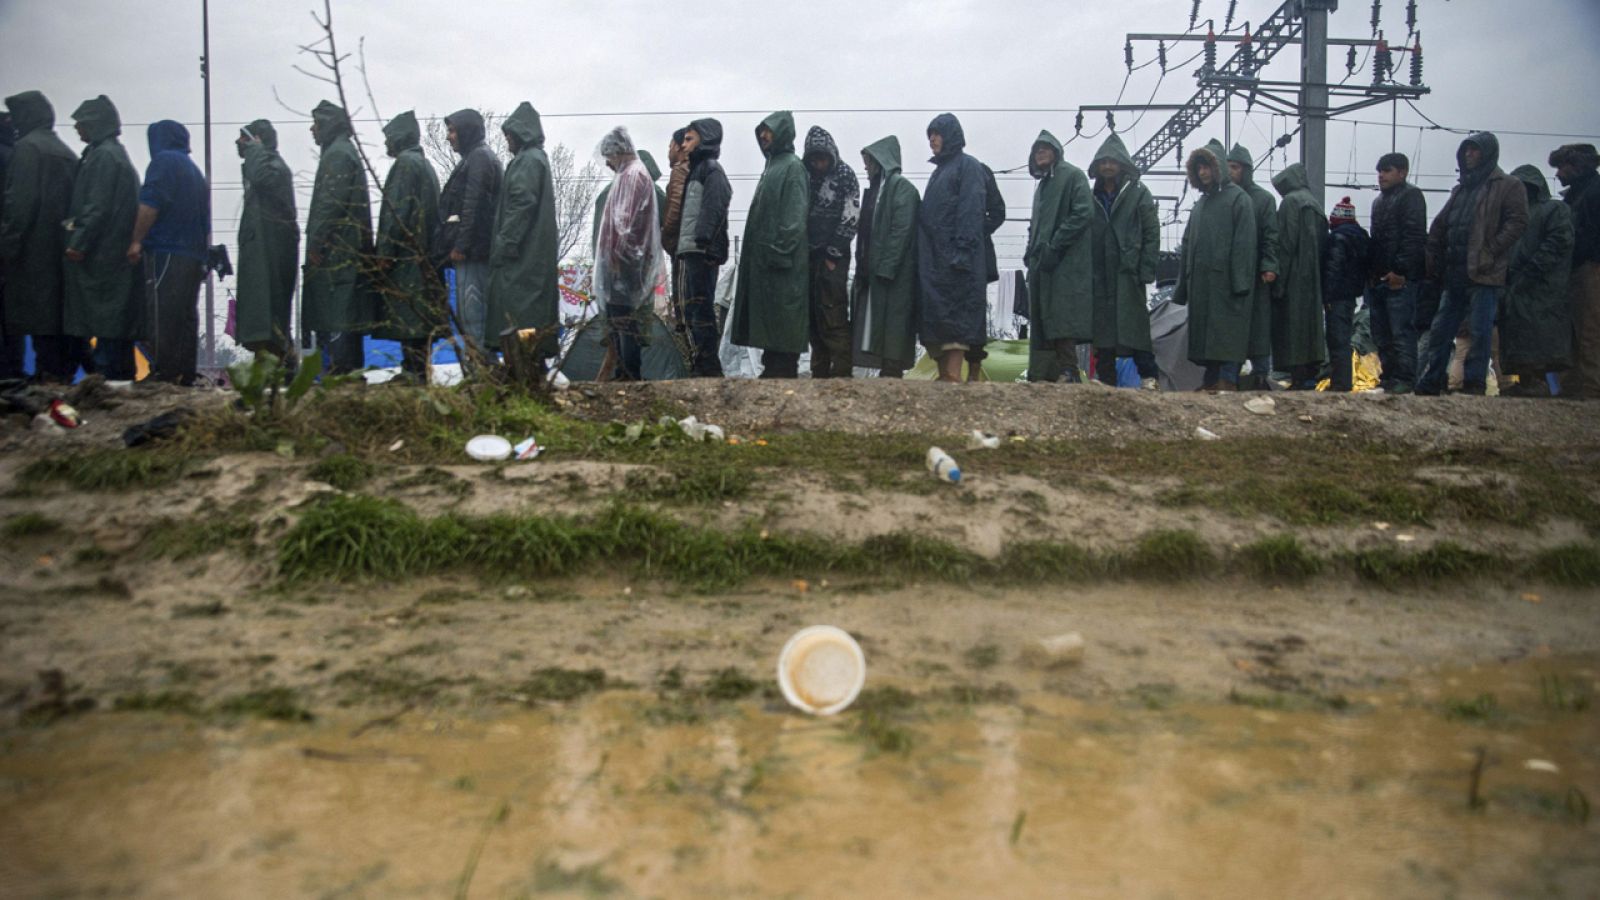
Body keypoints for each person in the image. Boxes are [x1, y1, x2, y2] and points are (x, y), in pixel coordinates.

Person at [1418, 132, 1528, 395]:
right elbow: (1443, 226)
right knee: (1441, 331)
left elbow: (1518, 222)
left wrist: (1491, 251)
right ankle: (1433, 379)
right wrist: (1434, 256)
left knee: (1479, 332)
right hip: (1454, 272)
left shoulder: (1508, 185)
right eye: (1466, 150)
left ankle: (1475, 383)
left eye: (1475, 150)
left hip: (1484, 272)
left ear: (1487, 153)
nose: (1469, 155)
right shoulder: (1461, 189)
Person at [1, 91, 81, 382]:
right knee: (57, 317)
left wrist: (6, 246)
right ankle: (59, 375)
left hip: (31, 251)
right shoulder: (65, 151)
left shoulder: (27, 149)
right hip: (63, 249)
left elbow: (19, 205)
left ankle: (46, 378)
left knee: (35, 315)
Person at [63, 95, 142, 381]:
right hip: (110, 251)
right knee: (113, 322)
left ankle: (108, 378)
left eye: (81, 124)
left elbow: (97, 206)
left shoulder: (104, 157)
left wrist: (77, 242)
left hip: (104, 255)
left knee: (107, 320)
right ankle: (117, 377)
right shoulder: (109, 154)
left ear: (96, 125)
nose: (78, 130)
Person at [128, 120, 209, 384]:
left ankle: (164, 371)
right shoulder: (193, 170)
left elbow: (151, 203)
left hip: (168, 250)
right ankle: (185, 372)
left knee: (163, 312)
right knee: (186, 314)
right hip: (194, 254)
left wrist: (136, 240)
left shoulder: (163, 162)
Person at [1172, 143, 1256, 390]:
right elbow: (1187, 245)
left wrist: (1240, 282)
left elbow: (1245, 244)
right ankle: (1211, 380)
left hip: (1227, 285)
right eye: (1198, 167)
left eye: (1207, 166)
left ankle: (1227, 380)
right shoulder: (1200, 205)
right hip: (1203, 285)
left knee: (1228, 337)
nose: (1203, 172)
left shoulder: (1239, 200)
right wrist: (1183, 287)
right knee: (1208, 341)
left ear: (1217, 167)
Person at [731, 111, 808, 378]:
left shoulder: (793, 167)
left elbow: (794, 219)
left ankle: (783, 372)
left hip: (782, 263)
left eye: (770, 130)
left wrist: (780, 252)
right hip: (767, 264)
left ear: (783, 133)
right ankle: (773, 368)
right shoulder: (772, 167)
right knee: (771, 322)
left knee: (783, 323)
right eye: (761, 131)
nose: (764, 136)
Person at [303, 100, 373, 375]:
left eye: (316, 124)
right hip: (344, 250)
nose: (312, 129)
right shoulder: (342, 152)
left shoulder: (338, 155)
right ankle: (345, 371)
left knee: (336, 313)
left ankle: (339, 372)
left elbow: (330, 204)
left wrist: (316, 242)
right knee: (342, 312)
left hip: (337, 253)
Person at [485, 101, 559, 358]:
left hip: (521, 258)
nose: (507, 141)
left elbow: (521, 204)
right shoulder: (537, 160)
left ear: (520, 133)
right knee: (531, 320)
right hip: (532, 255)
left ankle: (524, 376)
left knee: (518, 317)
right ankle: (531, 374)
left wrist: (504, 244)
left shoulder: (527, 161)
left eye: (509, 135)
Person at [918, 113, 988, 383]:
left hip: (957, 258)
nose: (933, 139)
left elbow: (971, 208)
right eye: (930, 135)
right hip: (935, 260)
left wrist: (963, 249)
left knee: (957, 321)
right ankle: (946, 374)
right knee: (939, 320)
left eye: (937, 133)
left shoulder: (967, 166)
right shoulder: (939, 172)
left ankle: (953, 376)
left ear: (951, 136)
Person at [373, 111, 443, 383]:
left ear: (399, 138)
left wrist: (385, 253)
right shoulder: (424, 165)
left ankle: (412, 373)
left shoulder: (404, 165)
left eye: (388, 138)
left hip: (406, 260)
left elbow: (396, 213)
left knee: (409, 318)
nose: (386, 144)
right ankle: (417, 370)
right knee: (419, 318)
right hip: (423, 256)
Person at [1087, 134, 1161, 390]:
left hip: (1129, 270)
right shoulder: (1091, 196)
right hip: (1101, 272)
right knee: (1103, 328)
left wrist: (1146, 268)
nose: (1108, 166)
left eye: (1113, 161)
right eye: (1103, 162)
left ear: (1122, 164)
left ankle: (1149, 376)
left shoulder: (1139, 193)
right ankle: (1105, 377)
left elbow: (1152, 231)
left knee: (1136, 326)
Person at [593, 127, 664, 381]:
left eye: (609, 157)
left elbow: (625, 222)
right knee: (620, 315)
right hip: (623, 258)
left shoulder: (633, 175)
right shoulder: (629, 174)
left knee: (624, 317)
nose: (609, 164)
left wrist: (614, 256)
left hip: (625, 261)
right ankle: (625, 370)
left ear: (618, 152)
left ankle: (629, 372)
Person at [1023, 130, 1092, 383]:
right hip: (1042, 261)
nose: (1040, 153)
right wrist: (1030, 250)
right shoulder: (1042, 187)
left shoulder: (1072, 176)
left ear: (1055, 151)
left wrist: (1056, 244)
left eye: (1045, 148)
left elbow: (1083, 213)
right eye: (1036, 150)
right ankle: (1043, 373)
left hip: (1066, 261)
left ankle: (1069, 370)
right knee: (1043, 317)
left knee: (1062, 316)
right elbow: (1036, 224)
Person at [1500, 165, 1573, 396]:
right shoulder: (1513, 216)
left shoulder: (1554, 209)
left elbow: (1559, 241)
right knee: (1519, 334)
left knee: (1541, 336)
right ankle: (1526, 380)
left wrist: (1533, 268)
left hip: (1545, 286)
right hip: (1517, 286)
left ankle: (1541, 383)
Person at [233, 119, 299, 368]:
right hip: (261, 253)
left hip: (270, 255)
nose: (239, 143)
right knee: (264, 314)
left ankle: (272, 370)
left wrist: (255, 150)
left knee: (267, 314)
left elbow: (262, 177)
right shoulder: (262, 165)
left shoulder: (272, 167)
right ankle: (281, 363)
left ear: (257, 140)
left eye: (244, 137)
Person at [436, 109, 501, 353]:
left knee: (473, 313)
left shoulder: (479, 158)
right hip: (472, 250)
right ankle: (480, 367)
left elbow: (473, 205)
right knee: (470, 313)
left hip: (474, 252)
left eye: (452, 131)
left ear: (466, 131)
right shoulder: (474, 158)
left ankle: (482, 369)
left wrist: (461, 245)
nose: (449, 137)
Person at [855, 136, 920, 377]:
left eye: (869, 161)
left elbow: (900, 231)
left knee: (894, 325)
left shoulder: (902, 189)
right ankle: (887, 370)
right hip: (878, 273)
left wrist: (887, 267)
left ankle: (892, 372)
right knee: (879, 326)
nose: (866, 167)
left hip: (895, 276)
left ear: (881, 160)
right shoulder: (878, 191)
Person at [1366, 152, 1428, 394]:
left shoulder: (1411, 196)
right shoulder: (1379, 202)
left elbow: (1414, 237)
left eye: (1387, 170)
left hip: (1399, 279)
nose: (1381, 176)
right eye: (1380, 171)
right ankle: (1390, 376)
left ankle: (1404, 378)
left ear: (1402, 172)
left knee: (1401, 331)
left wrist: (1400, 270)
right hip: (1379, 278)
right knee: (1383, 334)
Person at [802, 126, 860, 378]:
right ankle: (819, 371)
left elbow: (851, 217)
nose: (818, 163)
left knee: (832, 312)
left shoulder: (845, 174)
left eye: (822, 158)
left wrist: (833, 254)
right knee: (813, 315)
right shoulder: (806, 174)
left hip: (833, 255)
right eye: (814, 158)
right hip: (808, 254)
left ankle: (842, 372)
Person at [674, 118, 731, 377]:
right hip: (691, 249)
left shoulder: (711, 170)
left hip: (699, 251)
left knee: (700, 307)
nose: (683, 145)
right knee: (692, 308)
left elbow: (714, 206)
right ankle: (702, 362)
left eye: (689, 139)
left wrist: (704, 241)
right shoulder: (697, 170)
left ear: (705, 139)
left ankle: (708, 364)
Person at [1269, 163, 1328, 389]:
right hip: (1313, 277)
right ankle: (1310, 375)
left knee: (1291, 327)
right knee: (1311, 327)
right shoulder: (1315, 204)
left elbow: (1286, 243)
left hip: (1293, 276)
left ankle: (1298, 376)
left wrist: (1278, 280)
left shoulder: (1290, 202)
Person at [1227, 143, 1280, 390]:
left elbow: (1271, 236)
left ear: (1246, 170)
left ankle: (1260, 374)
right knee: (1233, 327)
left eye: (1235, 167)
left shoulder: (1264, 200)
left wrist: (1269, 266)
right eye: (1227, 167)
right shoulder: (1224, 198)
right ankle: (1229, 374)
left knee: (1259, 327)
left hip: (1257, 275)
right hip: (1231, 274)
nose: (1230, 172)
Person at [1551, 143, 1600, 399]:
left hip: (1590, 268)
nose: (1558, 173)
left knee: (1589, 330)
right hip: (1576, 268)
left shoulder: (1592, 193)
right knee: (1572, 331)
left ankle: (1591, 387)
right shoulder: (1577, 195)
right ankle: (1572, 386)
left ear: (1578, 165)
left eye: (1562, 166)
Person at [1322, 196, 1371, 392]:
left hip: (1337, 296)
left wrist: (1327, 295)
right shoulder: (1360, 236)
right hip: (1351, 296)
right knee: (1343, 338)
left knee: (1337, 339)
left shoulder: (1338, 238)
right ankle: (1342, 381)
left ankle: (1340, 383)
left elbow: (1333, 269)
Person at [660, 128, 689, 259]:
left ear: (678, 147)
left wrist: (666, 235)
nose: (668, 152)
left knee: (683, 279)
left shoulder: (680, 170)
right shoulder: (698, 169)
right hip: (693, 247)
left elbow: (676, 205)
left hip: (682, 246)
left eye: (670, 146)